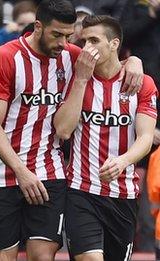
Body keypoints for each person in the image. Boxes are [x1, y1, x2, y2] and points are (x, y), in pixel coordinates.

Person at [0, 0, 143, 260]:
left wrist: (135, 61)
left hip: (49, 170)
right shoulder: (5, 57)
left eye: (68, 36)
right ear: (37, 26)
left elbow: (112, 62)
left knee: (43, 256)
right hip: (3, 171)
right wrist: (21, 171)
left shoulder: (71, 56)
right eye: (56, 35)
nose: (62, 43)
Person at [54, 15, 157, 261]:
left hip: (123, 195)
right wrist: (80, 79)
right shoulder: (74, 77)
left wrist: (123, 161)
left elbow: (145, 137)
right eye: (84, 41)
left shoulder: (141, 82)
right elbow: (63, 131)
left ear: (114, 44)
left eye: (94, 40)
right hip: (81, 191)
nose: (87, 48)